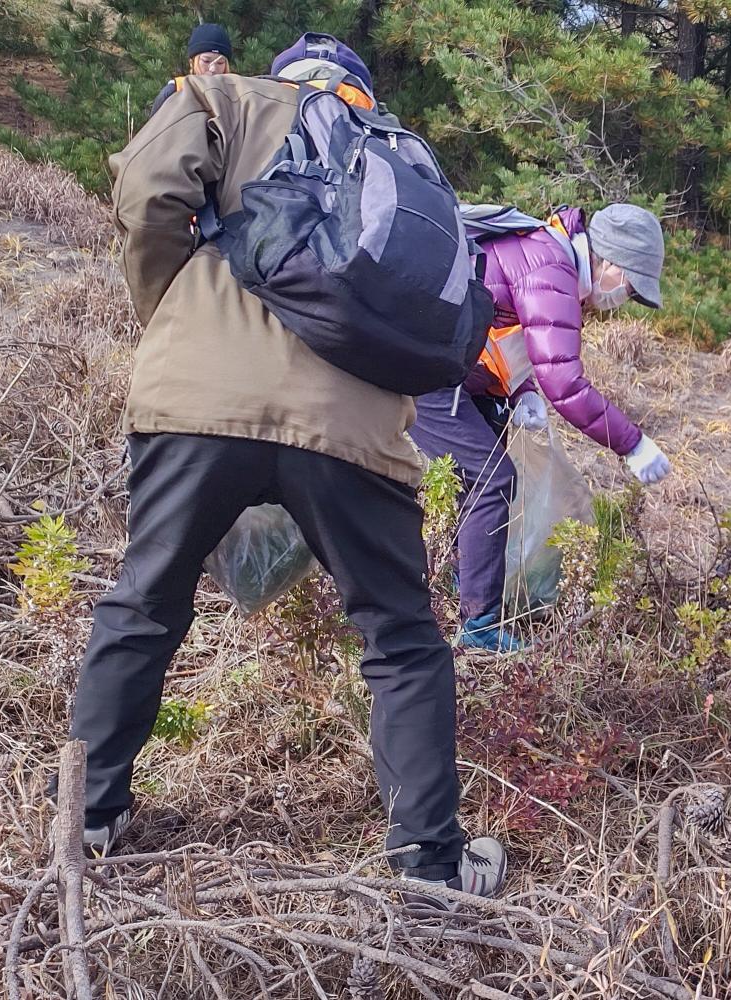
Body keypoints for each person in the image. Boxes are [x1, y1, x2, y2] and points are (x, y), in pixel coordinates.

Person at [67, 36, 505, 901]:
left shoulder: (229, 97)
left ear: (284, 70)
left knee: (146, 600)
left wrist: (171, 307)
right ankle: (429, 865)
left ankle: (83, 823)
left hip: (197, 400)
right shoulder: (406, 157)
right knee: (403, 640)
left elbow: (153, 190)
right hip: (357, 429)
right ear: (360, 89)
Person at [410, 203, 673, 653]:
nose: (623, 299)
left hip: (446, 367)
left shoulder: (547, 255)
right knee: (490, 481)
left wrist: (520, 391)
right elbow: (565, 382)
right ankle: (479, 627)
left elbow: (502, 328)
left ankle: (459, 583)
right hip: (424, 369)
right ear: (609, 262)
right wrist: (632, 444)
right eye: (629, 286)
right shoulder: (552, 267)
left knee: (485, 471)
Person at [149, 23, 234, 116]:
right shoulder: (175, 90)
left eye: (220, 62)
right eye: (206, 61)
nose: (213, 68)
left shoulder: (235, 96)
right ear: (192, 62)